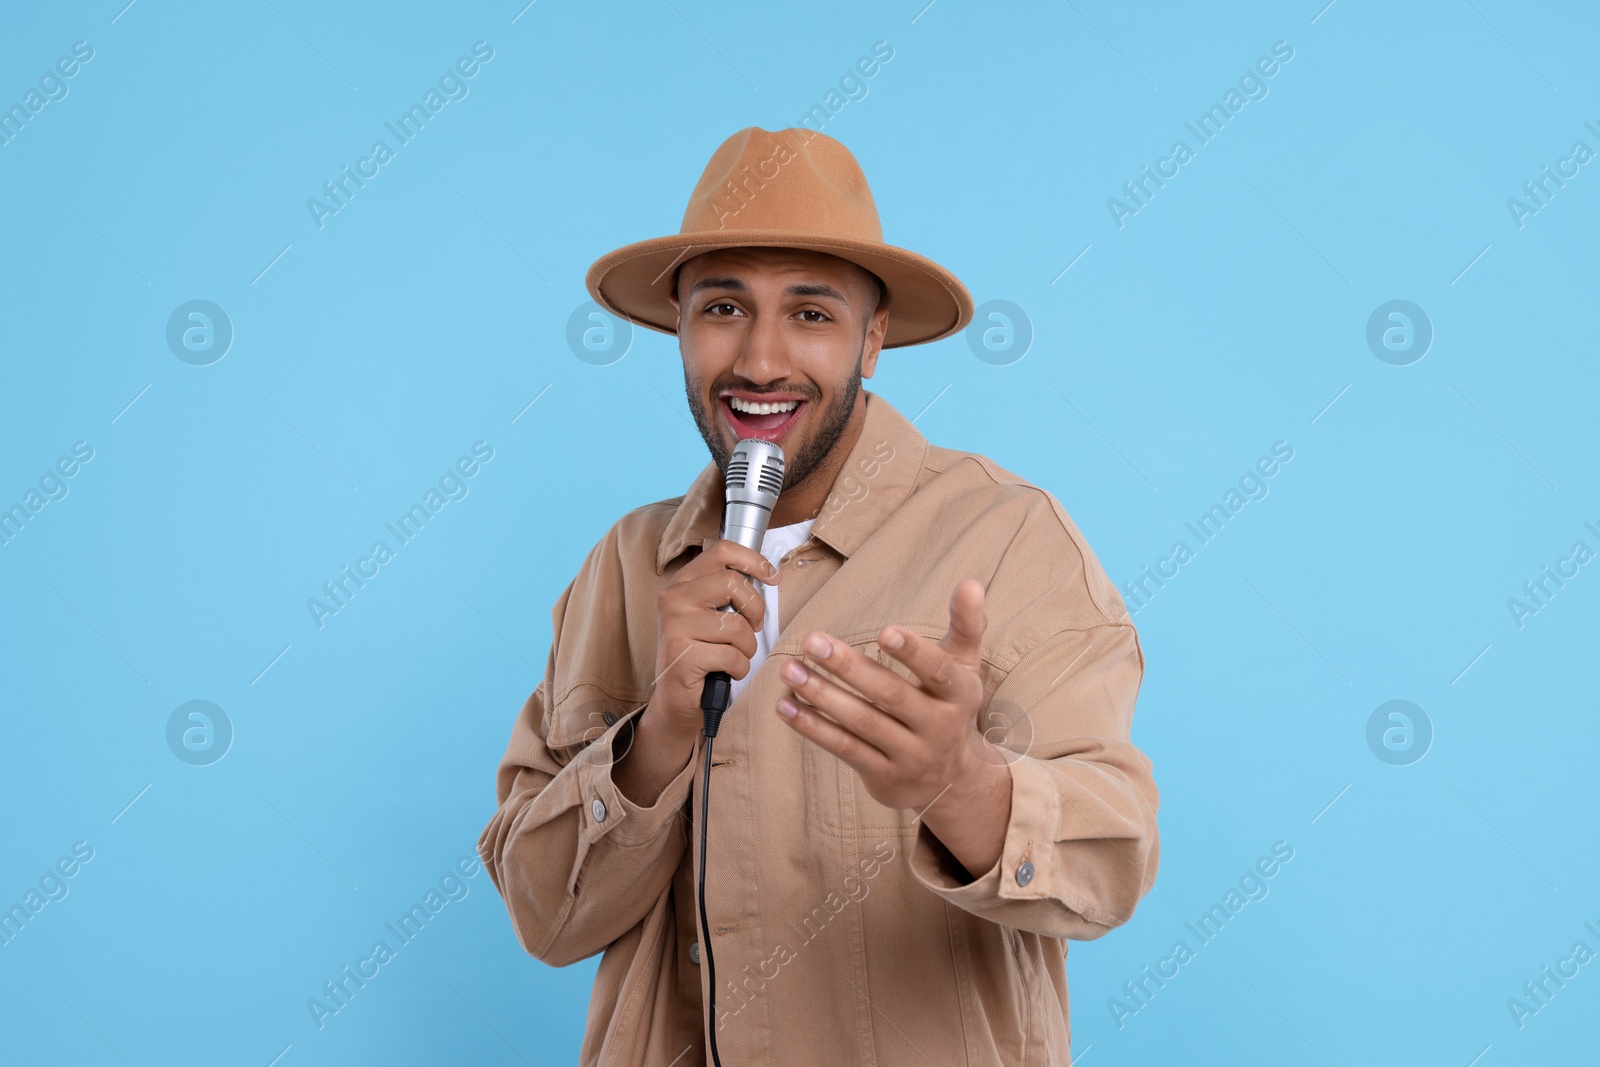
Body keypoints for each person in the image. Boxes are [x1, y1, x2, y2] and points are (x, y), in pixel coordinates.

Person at [478, 126, 1159, 1066]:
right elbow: (545, 917)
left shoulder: (1008, 539)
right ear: (679, 327)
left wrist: (959, 783)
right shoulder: (622, 566)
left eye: (810, 313)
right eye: (723, 307)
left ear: (873, 338)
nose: (760, 361)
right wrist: (656, 738)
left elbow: (1110, 862)